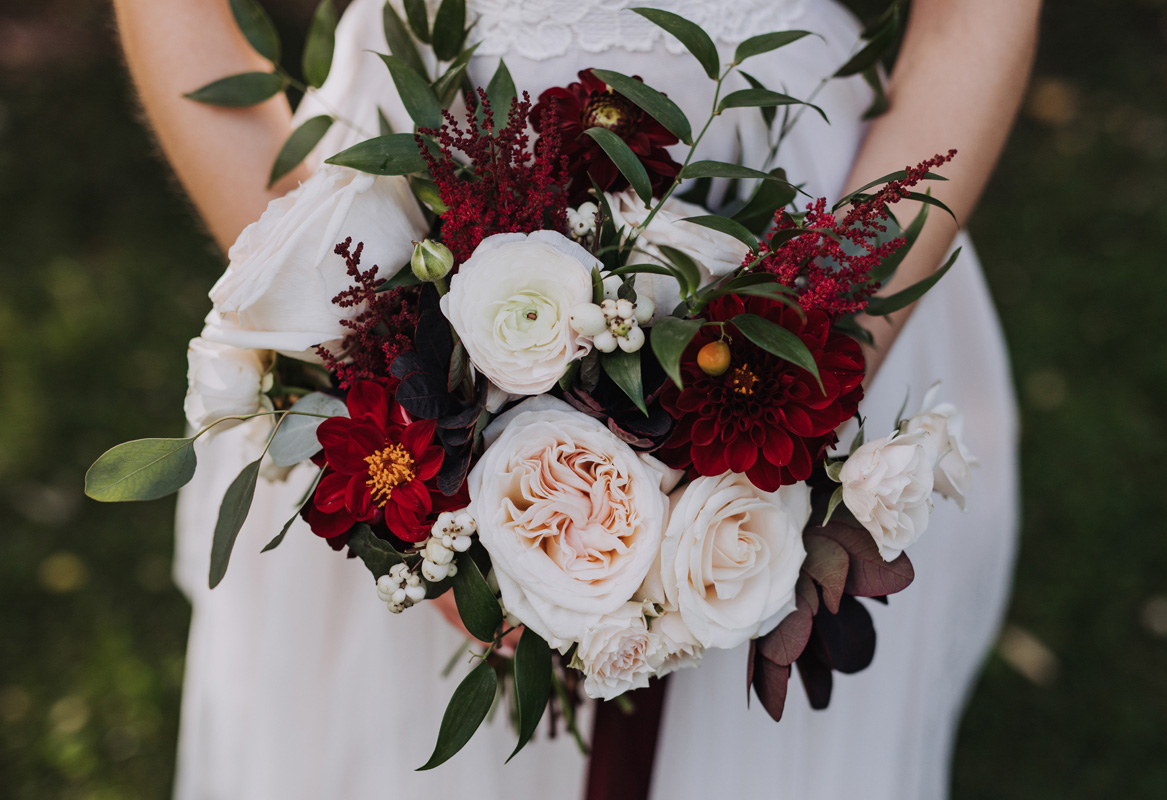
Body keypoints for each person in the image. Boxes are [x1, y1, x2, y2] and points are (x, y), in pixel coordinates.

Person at [112, 0, 1039, 797]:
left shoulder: (811, 337)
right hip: (395, 218)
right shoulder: (367, 349)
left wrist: (806, 367)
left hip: (816, 222)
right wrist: (356, 353)